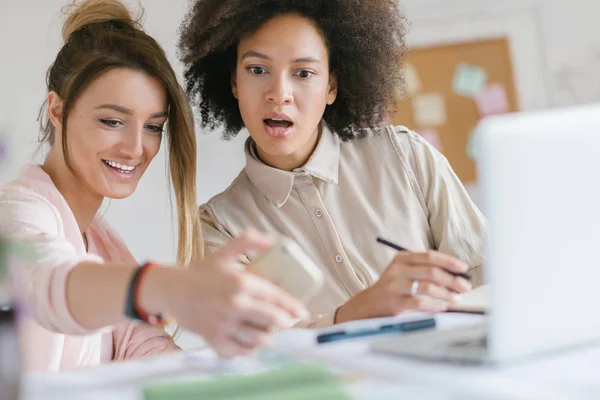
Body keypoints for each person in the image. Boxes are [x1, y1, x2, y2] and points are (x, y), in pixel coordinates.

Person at [0, 0, 306, 372]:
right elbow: (46, 285)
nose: (134, 148)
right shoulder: (17, 213)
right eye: (112, 121)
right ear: (57, 110)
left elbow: (144, 348)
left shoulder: (100, 241)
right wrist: (170, 288)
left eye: (152, 127)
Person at [178, 0, 486, 328]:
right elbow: (255, 345)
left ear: (331, 86)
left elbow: (489, 274)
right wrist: (354, 312)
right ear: (234, 83)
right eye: (257, 69)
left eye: (303, 73)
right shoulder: (220, 227)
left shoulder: (406, 156)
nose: (279, 93)